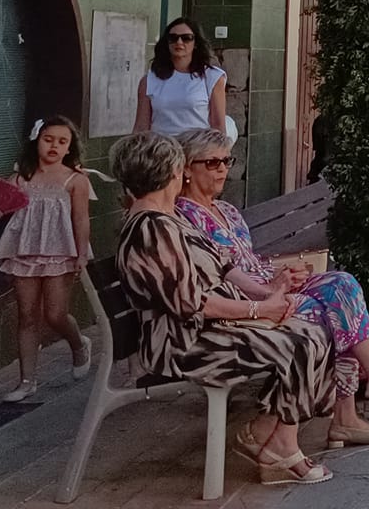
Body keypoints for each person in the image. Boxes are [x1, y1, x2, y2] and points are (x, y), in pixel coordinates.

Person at [108, 132, 338, 485]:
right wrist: (258, 311)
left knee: (314, 332)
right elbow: (189, 303)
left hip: (207, 331)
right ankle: (277, 444)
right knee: (303, 342)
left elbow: (223, 265)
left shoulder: (167, 219)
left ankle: (271, 435)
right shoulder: (151, 228)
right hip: (181, 344)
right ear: (171, 172)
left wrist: (268, 294)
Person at [174, 129, 369, 445]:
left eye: (227, 161)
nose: (223, 169)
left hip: (269, 285)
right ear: (187, 168)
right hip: (243, 303)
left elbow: (251, 261)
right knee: (326, 312)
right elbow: (218, 276)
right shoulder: (184, 218)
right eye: (212, 163)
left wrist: (285, 274)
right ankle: (344, 415)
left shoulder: (227, 211)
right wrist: (271, 287)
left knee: (342, 284)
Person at [0, 115, 92, 402]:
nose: (54, 146)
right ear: (36, 141)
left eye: (62, 142)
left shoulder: (75, 180)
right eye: (48, 139)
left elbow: (81, 219)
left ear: (69, 147)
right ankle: (26, 381)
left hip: (61, 253)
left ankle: (79, 344)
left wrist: (81, 254)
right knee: (27, 315)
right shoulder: (21, 178)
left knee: (55, 314)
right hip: (25, 252)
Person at [133, 17, 226, 138]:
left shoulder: (212, 77)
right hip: (161, 147)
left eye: (186, 38)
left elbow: (218, 126)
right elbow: (141, 127)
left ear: (196, 43)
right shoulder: (149, 81)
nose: (179, 42)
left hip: (198, 146)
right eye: (173, 38)